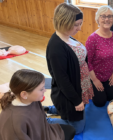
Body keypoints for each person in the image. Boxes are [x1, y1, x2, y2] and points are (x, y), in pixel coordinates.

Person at [45, 3, 93, 134]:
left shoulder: (66, 36)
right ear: (64, 22)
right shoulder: (56, 48)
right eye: (76, 25)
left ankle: (52, 109)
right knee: (77, 129)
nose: (80, 28)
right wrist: (77, 101)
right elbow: (62, 80)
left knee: (78, 119)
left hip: (78, 87)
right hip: (69, 95)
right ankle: (44, 121)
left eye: (80, 24)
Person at [0, 69, 75, 140]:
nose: (45, 91)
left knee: (71, 129)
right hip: (38, 135)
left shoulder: (33, 100)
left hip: (44, 132)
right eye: (41, 89)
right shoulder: (14, 121)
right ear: (24, 94)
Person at [86, 5, 113, 107]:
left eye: (110, 16)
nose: (107, 19)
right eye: (103, 16)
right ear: (98, 19)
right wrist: (95, 80)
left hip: (109, 76)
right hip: (95, 76)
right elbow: (87, 62)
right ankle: (89, 87)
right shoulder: (92, 39)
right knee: (100, 102)